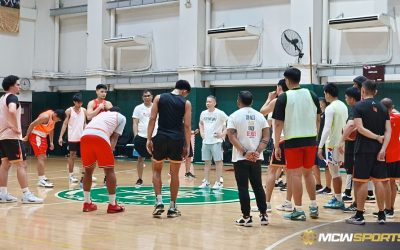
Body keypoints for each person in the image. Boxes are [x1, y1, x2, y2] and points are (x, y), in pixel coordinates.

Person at [272, 67, 320, 221]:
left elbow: (278, 124)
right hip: (311, 139)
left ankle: (298, 210)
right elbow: (318, 118)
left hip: (293, 141)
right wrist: (315, 136)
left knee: (295, 175)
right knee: (308, 173)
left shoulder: (284, 97)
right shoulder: (311, 94)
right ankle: (313, 206)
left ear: (286, 80)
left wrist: (277, 144)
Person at [346, 80, 391, 225]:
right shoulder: (383, 108)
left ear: (362, 91)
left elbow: (359, 128)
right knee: (379, 182)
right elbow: (388, 130)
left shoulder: (359, 106)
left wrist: (376, 137)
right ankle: (381, 214)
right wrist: (383, 148)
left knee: (361, 182)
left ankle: (359, 215)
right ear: (376, 92)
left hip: (363, 149)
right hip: (379, 151)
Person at [147, 80, 192, 218]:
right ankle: (172, 207)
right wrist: (187, 145)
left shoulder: (159, 98)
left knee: (156, 170)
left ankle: (159, 201)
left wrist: (149, 139)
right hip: (176, 140)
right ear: (184, 91)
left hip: (160, 138)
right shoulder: (186, 103)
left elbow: (152, 118)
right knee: (174, 174)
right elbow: (187, 126)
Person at [227, 91, 269, 227]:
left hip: (240, 158)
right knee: (258, 186)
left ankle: (246, 217)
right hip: (257, 158)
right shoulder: (260, 116)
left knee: (243, 188)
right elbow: (266, 137)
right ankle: (264, 216)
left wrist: (245, 152)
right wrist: (256, 152)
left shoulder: (233, 116)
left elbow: (231, 137)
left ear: (238, 101)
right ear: (251, 101)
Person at [0, 75, 43, 203]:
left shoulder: (2, 98)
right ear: (12, 86)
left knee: (5, 165)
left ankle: (2, 194)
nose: (20, 87)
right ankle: (26, 195)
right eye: (18, 84)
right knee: (22, 164)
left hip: (2, 137)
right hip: (12, 137)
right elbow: (12, 111)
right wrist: (15, 127)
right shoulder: (13, 97)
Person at [80, 107, 126, 213]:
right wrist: (109, 153)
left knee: (88, 170)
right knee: (109, 170)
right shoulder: (121, 117)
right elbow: (114, 138)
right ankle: (112, 205)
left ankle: (87, 204)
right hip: (100, 136)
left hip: (85, 136)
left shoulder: (100, 114)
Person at [259, 79, 293, 212]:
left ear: (279, 87)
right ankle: (288, 203)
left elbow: (262, 111)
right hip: (293, 139)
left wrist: (269, 98)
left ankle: (266, 204)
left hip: (281, 140)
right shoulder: (294, 99)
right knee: (291, 173)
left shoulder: (279, 100)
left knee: (272, 171)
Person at [317, 83, 348, 210]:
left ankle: (338, 199)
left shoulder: (330, 108)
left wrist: (320, 146)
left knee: (335, 173)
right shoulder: (343, 105)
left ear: (328, 93)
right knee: (338, 172)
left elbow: (326, 128)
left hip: (332, 144)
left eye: (325, 93)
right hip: (342, 143)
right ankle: (338, 197)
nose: (324, 96)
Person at [23, 109, 65, 188]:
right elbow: (32, 124)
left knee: (43, 157)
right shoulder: (45, 117)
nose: (58, 121)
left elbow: (51, 130)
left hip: (43, 136)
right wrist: (26, 136)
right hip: (36, 135)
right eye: (58, 119)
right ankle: (41, 180)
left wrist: (51, 142)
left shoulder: (54, 118)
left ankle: (42, 177)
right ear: (55, 115)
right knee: (41, 157)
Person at [373, 98, 400, 218]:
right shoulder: (398, 116)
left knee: (386, 182)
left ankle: (387, 209)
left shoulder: (385, 120)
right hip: (397, 154)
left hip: (386, 154)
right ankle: (390, 209)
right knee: (392, 182)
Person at [338, 87, 361, 212]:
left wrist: (342, 139)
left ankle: (357, 204)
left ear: (352, 98)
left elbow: (352, 125)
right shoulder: (369, 107)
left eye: (346, 98)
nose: (345, 99)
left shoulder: (356, 109)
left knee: (356, 176)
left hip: (356, 147)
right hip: (367, 147)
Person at [198, 96, 228, 189]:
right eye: (207, 101)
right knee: (207, 162)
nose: (207, 103)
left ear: (214, 103)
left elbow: (230, 122)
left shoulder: (220, 113)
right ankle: (206, 181)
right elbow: (201, 123)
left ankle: (218, 182)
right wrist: (202, 132)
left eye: (210, 102)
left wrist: (222, 134)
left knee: (218, 162)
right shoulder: (203, 113)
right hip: (206, 142)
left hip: (216, 141)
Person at [87, 84, 113, 184]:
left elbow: (114, 116)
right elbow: (89, 116)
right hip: (94, 133)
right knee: (92, 156)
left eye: (105, 92)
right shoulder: (92, 103)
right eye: (102, 91)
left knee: (107, 156)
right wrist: (99, 108)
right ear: (97, 91)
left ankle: (107, 177)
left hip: (105, 133)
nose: (104, 94)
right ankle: (86, 175)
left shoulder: (109, 103)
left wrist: (109, 109)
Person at [58, 93, 87, 183]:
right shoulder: (69, 111)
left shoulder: (84, 110)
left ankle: (85, 175)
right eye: (78, 102)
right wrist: (60, 137)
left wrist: (86, 133)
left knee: (85, 157)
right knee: (72, 156)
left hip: (82, 137)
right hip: (72, 137)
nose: (80, 104)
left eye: (81, 102)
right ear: (74, 102)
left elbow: (85, 123)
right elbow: (65, 124)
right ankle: (71, 175)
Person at [132, 89, 157, 187]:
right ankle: (139, 178)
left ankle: (154, 178)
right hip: (141, 136)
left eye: (148, 95)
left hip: (154, 136)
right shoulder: (138, 108)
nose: (147, 97)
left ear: (152, 96)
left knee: (154, 159)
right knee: (140, 158)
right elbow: (135, 122)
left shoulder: (156, 107)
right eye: (145, 96)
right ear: (142, 97)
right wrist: (136, 136)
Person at [314, 98, 332, 195]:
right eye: (318, 104)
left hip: (325, 143)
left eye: (321, 103)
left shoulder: (327, 114)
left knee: (327, 165)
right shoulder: (317, 115)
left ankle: (328, 187)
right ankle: (318, 184)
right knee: (314, 164)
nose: (320, 105)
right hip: (316, 142)